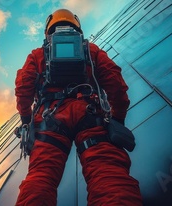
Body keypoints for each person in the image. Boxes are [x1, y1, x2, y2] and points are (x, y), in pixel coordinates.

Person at [14, 9, 142, 205]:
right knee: (108, 174)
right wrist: (118, 116)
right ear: (77, 25)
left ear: (48, 29)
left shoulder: (38, 55)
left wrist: (25, 118)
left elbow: (24, 87)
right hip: (90, 115)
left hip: (50, 120)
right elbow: (115, 82)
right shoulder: (91, 50)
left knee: (41, 177)